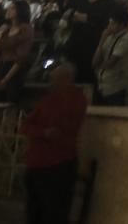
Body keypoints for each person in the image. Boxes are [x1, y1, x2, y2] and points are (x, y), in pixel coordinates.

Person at [21, 62, 88, 224]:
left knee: (55, 212)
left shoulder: (77, 99)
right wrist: (42, 132)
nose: (51, 82)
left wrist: (45, 132)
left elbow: (65, 127)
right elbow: (25, 126)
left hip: (58, 165)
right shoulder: (48, 99)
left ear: (66, 79)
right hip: (37, 165)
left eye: (55, 79)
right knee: (34, 211)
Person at [91, 2, 128, 107]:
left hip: (115, 87)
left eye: (113, 23)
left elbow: (110, 63)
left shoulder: (126, 38)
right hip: (101, 85)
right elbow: (94, 62)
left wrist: (100, 66)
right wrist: (101, 41)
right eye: (109, 23)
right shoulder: (109, 37)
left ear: (122, 24)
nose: (109, 26)